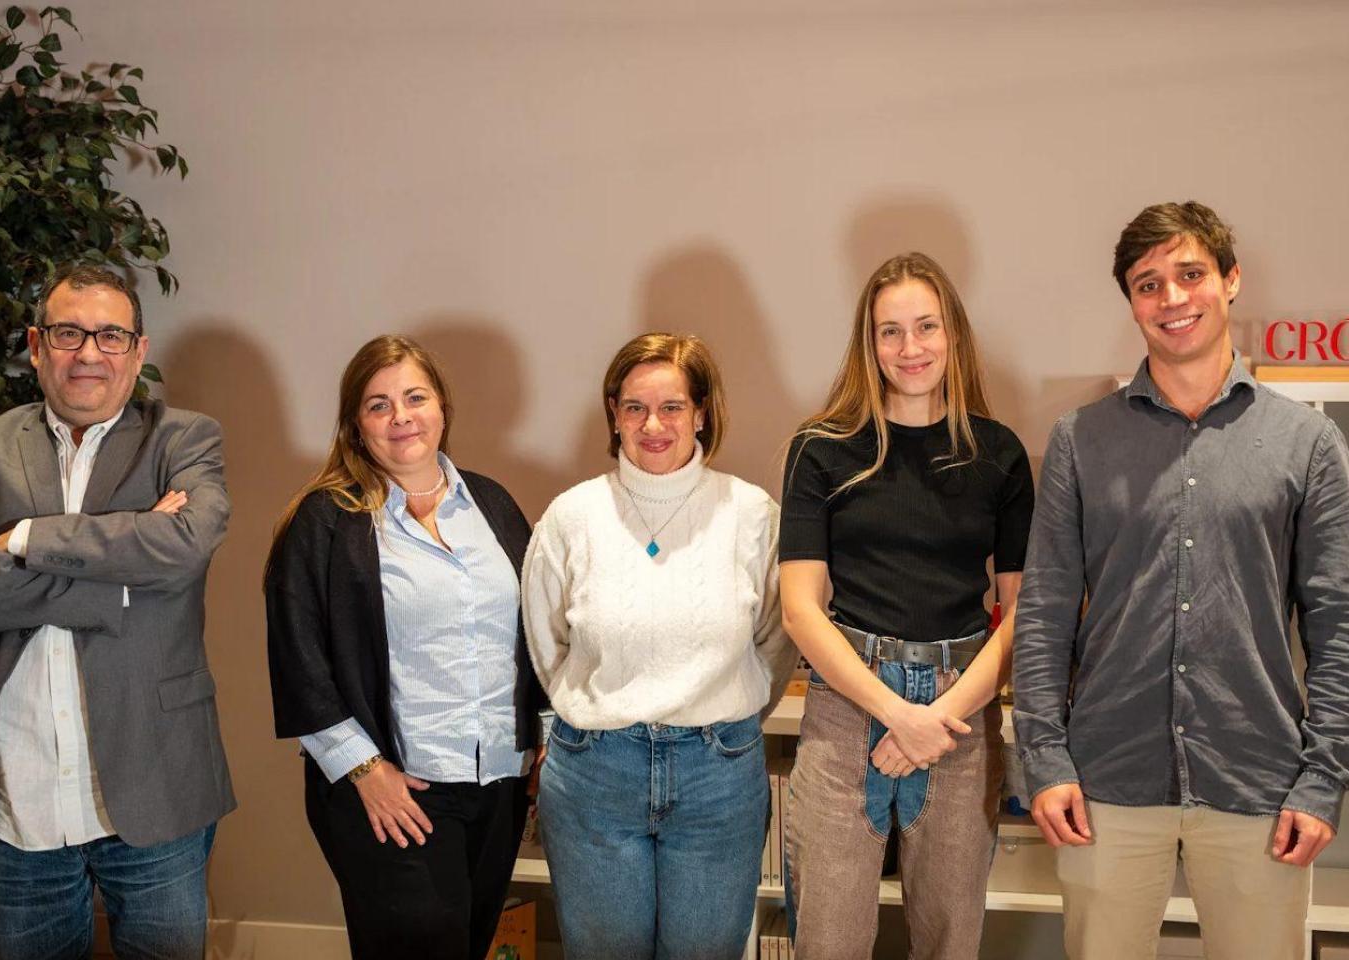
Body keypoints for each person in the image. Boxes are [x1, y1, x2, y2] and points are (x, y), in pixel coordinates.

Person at [1014, 201, 1349, 960]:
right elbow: (1044, 613)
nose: (1171, 298)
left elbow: (1343, 625)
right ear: (1131, 302)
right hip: (1105, 782)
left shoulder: (1306, 441)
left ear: (1230, 280)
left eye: (1190, 275)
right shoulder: (1081, 441)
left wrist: (1325, 778)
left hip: (1260, 781)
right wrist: (1043, 760)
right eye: (1148, 284)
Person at [0, 264, 233, 960]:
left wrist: (24, 538)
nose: (90, 353)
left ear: (138, 352)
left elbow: (185, 543)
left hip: (156, 785)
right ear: (36, 346)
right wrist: (117, 582)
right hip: (18, 797)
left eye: (110, 335)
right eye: (68, 333)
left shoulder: (184, 440)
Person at [779, 252, 1033, 959]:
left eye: (926, 326)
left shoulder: (999, 455)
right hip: (847, 706)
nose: (909, 347)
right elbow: (800, 609)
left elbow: (1021, 614)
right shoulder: (823, 449)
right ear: (869, 343)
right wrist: (897, 714)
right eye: (890, 331)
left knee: (951, 939)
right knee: (828, 942)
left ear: (953, 334)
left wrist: (938, 718)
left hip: (961, 711)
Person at [264, 335, 543, 960]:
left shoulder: (492, 504)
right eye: (378, 405)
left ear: (442, 407)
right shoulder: (324, 519)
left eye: (415, 398)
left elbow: (538, 627)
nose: (401, 417)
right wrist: (365, 771)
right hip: (394, 789)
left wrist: (543, 733)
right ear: (355, 425)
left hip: (498, 780)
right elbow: (298, 656)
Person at [521, 332, 794, 959]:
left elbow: (776, 643)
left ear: (701, 413)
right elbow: (545, 643)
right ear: (613, 414)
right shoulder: (572, 516)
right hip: (595, 773)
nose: (653, 425)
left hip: (718, 775)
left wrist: (721, 716)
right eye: (635, 407)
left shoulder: (752, 515)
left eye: (672, 407)